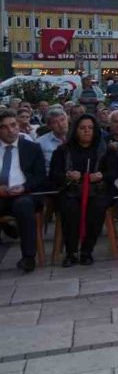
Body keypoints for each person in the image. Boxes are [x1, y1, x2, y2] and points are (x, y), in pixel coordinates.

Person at [51, 113, 115, 266]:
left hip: (98, 190)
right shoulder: (63, 150)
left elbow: (113, 172)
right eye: (82, 128)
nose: (87, 131)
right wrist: (68, 176)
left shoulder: (105, 148)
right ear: (75, 130)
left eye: (90, 128)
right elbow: (54, 175)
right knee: (70, 208)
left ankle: (87, 250)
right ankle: (71, 251)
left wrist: (101, 175)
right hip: (71, 190)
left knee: (97, 207)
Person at [0, 109, 46, 272]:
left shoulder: (31, 148)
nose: (10, 130)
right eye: (4, 127)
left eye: (13, 125)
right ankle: (9, 227)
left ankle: (28, 257)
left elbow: (40, 176)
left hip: (26, 193)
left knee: (23, 205)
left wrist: (24, 187)